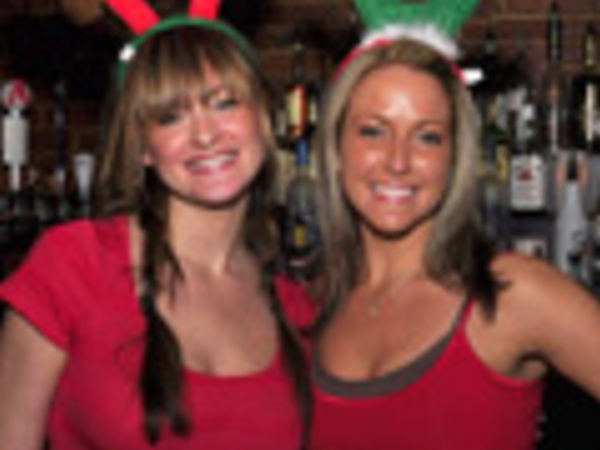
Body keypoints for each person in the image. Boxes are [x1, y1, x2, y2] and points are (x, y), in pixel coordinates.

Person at [0, 2, 313, 449]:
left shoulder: (294, 305)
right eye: (171, 116)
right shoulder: (73, 265)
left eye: (224, 103)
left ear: (264, 119)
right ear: (144, 148)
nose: (205, 134)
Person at [307, 36, 600, 450]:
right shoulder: (307, 308)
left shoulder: (512, 294)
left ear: (454, 158)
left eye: (427, 137)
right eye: (373, 131)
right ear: (336, 150)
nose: (397, 161)